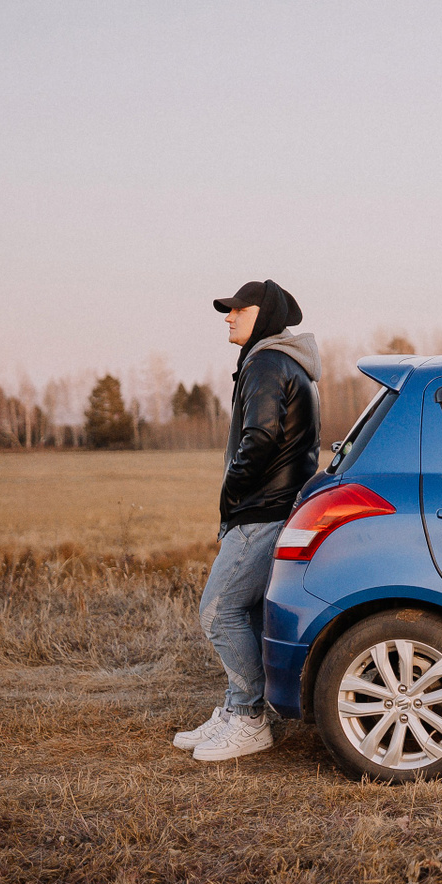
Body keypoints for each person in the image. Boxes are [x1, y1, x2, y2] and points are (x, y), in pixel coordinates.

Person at [172, 279, 321, 762]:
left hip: (261, 509)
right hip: (275, 505)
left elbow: (260, 438)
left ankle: (248, 718)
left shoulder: (266, 362)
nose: (229, 316)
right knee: (248, 614)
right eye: (228, 310)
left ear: (266, 315)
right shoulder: (283, 362)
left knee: (218, 611)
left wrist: (233, 491)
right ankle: (239, 707)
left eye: (239, 309)